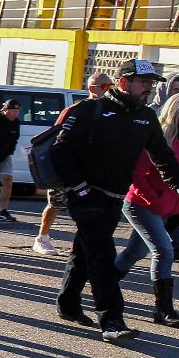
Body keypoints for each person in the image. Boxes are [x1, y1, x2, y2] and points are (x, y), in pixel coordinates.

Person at [50, 59, 179, 341]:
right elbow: (61, 152)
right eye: (143, 82)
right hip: (86, 196)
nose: (148, 87)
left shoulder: (145, 116)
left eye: (151, 83)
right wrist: (79, 187)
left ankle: (68, 303)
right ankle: (112, 321)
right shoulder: (90, 110)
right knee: (103, 255)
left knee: (86, 251)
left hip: (114, 198)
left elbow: (164, 158)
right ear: (123, 82)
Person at [112, 92, 179, 326]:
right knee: (164, 251)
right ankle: (163, 310)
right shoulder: (157, 137)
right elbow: (137, 175)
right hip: (142, 203)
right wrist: (155, 201)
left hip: (170, 207)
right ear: (174, 112)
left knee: (134, 252)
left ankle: (104, 284)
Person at [35, 73, 113, 255]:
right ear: (92, 89)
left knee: (87, 207)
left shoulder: (111, 111)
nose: (109, 91)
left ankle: (83, 244)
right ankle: (42, 238)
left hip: (92, 168)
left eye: (111, 87)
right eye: (104, 87)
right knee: (56, 203)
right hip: (68, 167)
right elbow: (56, 137)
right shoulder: (76, 109)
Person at [0, 98, 22, 221]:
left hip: (4, 156)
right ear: (5, 110)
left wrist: (10, 152)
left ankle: (3, 211)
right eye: (12, 111)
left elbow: (15, 139)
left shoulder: (16, 122)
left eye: (17, 111)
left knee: (8, 180)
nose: (15, 114)